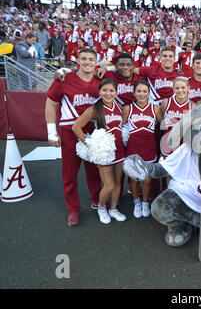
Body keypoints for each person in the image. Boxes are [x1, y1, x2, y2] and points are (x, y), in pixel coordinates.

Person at [45, 48, 102, 226]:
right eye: (83, 58)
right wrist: (51, 131)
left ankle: (97, 199)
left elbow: (118, 71)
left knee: (94, 169)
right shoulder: (64, 78)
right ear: (77, 59)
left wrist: (106, 69)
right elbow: (50, 104)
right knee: (70, 173)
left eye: (91, 59)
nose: (87, 62)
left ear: (96, 62)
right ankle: (73, 209)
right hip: (70, 133)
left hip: (93, 133)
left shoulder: (101, 78)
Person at [72, 78, 126, 224]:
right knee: (109, 185)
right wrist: (90, 144)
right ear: (99, 91)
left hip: (120, 150)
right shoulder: (95, 109)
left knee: (118, 184)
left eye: (111, 90)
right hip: (104, 153)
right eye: (105, 90)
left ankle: (113, 209)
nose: (108, 93)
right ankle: (102, 208)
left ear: (116, 92)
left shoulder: (119, 106)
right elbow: (76, 127)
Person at [122, 80, 163, 218]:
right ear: (134, 93)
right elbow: (120, 127)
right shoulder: (128, 109)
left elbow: (163, 124)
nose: (141, 94)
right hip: (133, 147)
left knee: (147, 179)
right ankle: (136, 202)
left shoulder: (155, 108)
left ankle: (145, 203)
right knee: (133, 179)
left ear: (149, 93)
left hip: (149, 147)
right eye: (138, 91)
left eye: (144, 91)